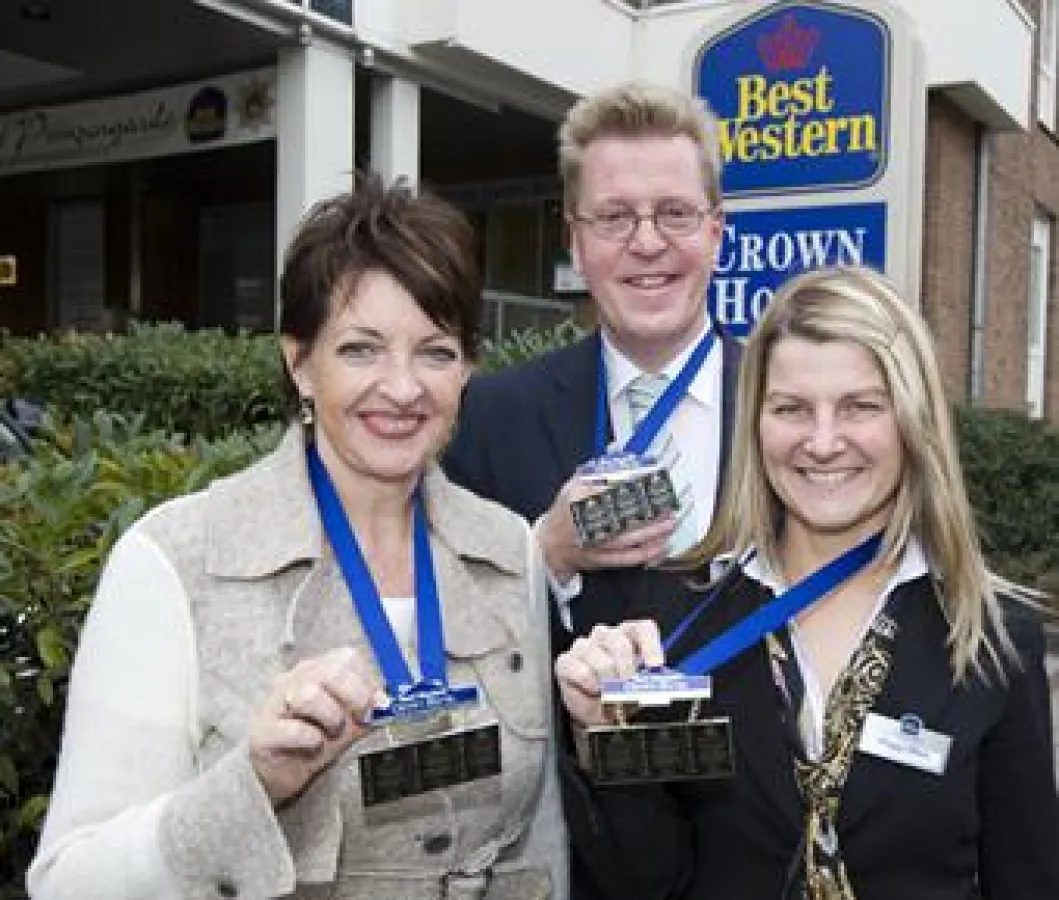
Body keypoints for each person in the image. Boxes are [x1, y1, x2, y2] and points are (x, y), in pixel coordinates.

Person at [27, 174, 568, 900]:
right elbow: (70, 881)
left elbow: (542, 838)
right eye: (360, 349)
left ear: (467, 365)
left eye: (435, 352)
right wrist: (251, 783)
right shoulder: (175, 561)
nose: (403, 389)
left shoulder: (510, 551)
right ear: (298, 360)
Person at [556, 264, 1059, 900]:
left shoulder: (992, 637)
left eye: (861, 407)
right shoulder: (675, 621)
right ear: (755, 422)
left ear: (912, 420)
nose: (823, 443)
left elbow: (1029, 877)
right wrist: (604, 736)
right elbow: (649, 881)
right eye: (791, 408)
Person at [443, 83, 740, 897]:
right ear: (575, 237)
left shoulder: (799, 417)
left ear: (715, 231)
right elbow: (441, 638)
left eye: (675, 213)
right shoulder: (489, 417)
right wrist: (543, 552)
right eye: (613, 218)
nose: (647, 243)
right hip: (570, 858)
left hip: (762, 848)